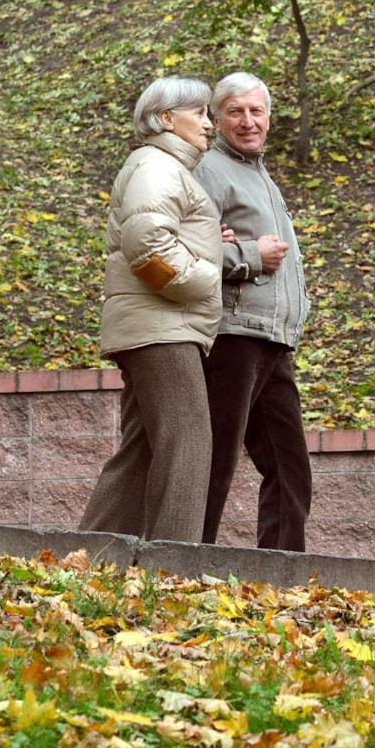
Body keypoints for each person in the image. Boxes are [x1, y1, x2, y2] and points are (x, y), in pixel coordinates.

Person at [79, 76, 225, 542]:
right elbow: (145, 245)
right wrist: (205, 276)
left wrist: (207, 248)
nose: (210, 123)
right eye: (200, 113)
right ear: (166, 118)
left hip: (155, 325)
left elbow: (158, 235)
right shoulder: (157, 166)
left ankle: (91, 556)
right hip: (162, 327)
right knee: (190, 442)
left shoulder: (164, 168)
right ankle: (174, 570)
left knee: (142, 450)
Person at [194, 72, 312, 552]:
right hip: (233, 339)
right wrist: (249, 255)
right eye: (236, 112)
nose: (248, 121)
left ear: (269, 118)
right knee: (216, 463)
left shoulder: (258, 172)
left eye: (256, 111)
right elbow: (187, 251)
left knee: (290, 469)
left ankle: (283, 578)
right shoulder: (209, 171)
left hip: (273, 342)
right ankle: (181, 567)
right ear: (217, 118)